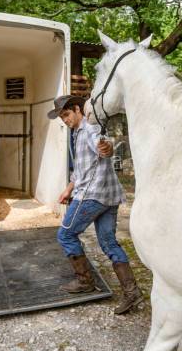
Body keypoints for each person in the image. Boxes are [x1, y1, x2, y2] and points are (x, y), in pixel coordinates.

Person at [47, 95, 143, 314]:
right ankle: (132, 291)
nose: (64, 120)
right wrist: (68, 189)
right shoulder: (76, 133)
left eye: (66, 115)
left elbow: (105, 147)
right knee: (108, 242)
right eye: (61, 117)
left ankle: (85, 281)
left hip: (93, 195)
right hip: (109, 196)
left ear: (78, 110)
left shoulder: (89, 130)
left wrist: (106, 148)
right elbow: (81, 170)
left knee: (65, 235)